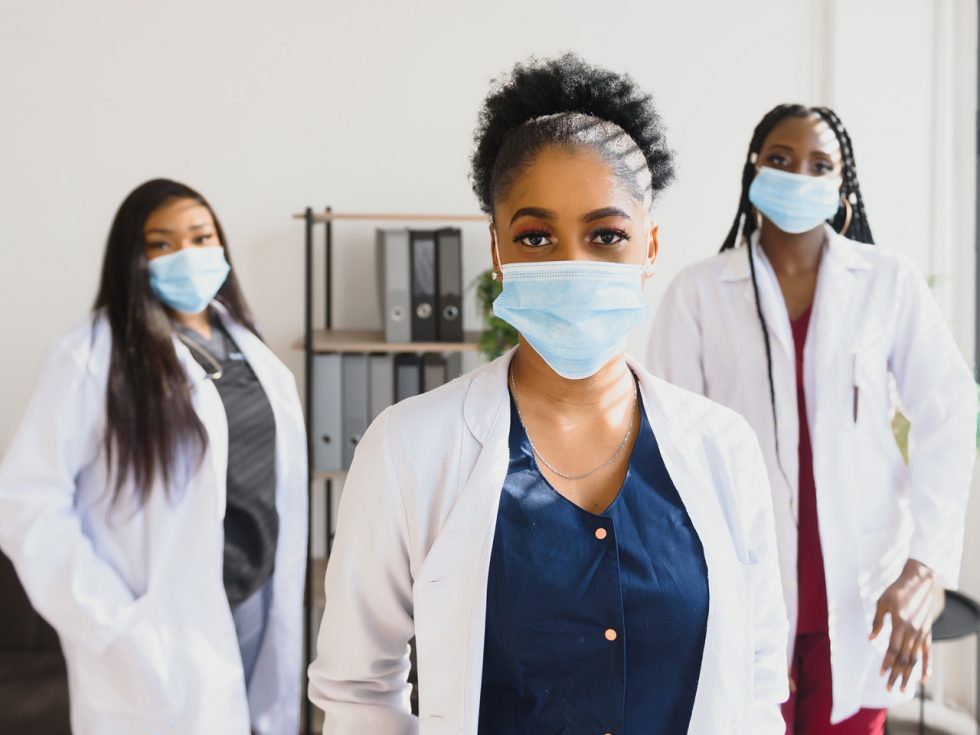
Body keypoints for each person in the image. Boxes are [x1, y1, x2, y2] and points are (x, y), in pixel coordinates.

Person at [309, 54, 789, 734]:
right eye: (536, 236)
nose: (572, 262)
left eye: (606, 235)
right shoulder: (408, 447)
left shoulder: (722, 447)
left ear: (650, 247)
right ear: (498, 250)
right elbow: (359, 692)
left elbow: (757, 679)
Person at [647, 104, 976, 733]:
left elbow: (950, 414)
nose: (798, 175)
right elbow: (667, 459)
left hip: (861, 600)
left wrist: (926, 567)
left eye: (819, 164)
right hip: (741, 594)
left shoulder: (888, 283)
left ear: (842, 184)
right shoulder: (697, 294)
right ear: (752, 171)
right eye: (779, 159)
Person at [0, 179, 308, 734]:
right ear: (133, 258)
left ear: (222, 245)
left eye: (200, 236)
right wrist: (118, 625)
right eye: (161, 244)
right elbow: (26, 502)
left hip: (254, 596)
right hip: (161, 625)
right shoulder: (91, 354)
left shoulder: (244, 342)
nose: (185, 255)